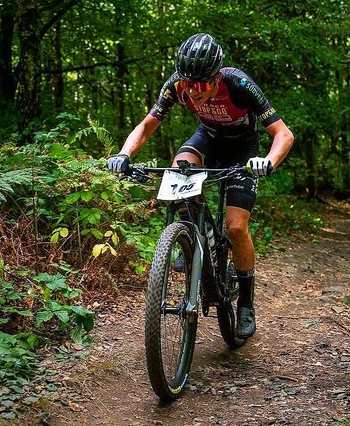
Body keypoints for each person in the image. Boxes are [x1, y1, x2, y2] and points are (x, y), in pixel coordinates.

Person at [107, 33, 294, 339]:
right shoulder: (176, 86)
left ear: (217, 76)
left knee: (235, 228)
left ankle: (246, 302)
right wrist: (124, 154)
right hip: (206, 137)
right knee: (180, 168)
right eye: (188, 83)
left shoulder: (239, 84)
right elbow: (146, 126)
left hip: (243, 148)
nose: (194, 92)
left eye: (203, 84)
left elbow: (283, 134)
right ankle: (190, 236)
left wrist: (268, 162)